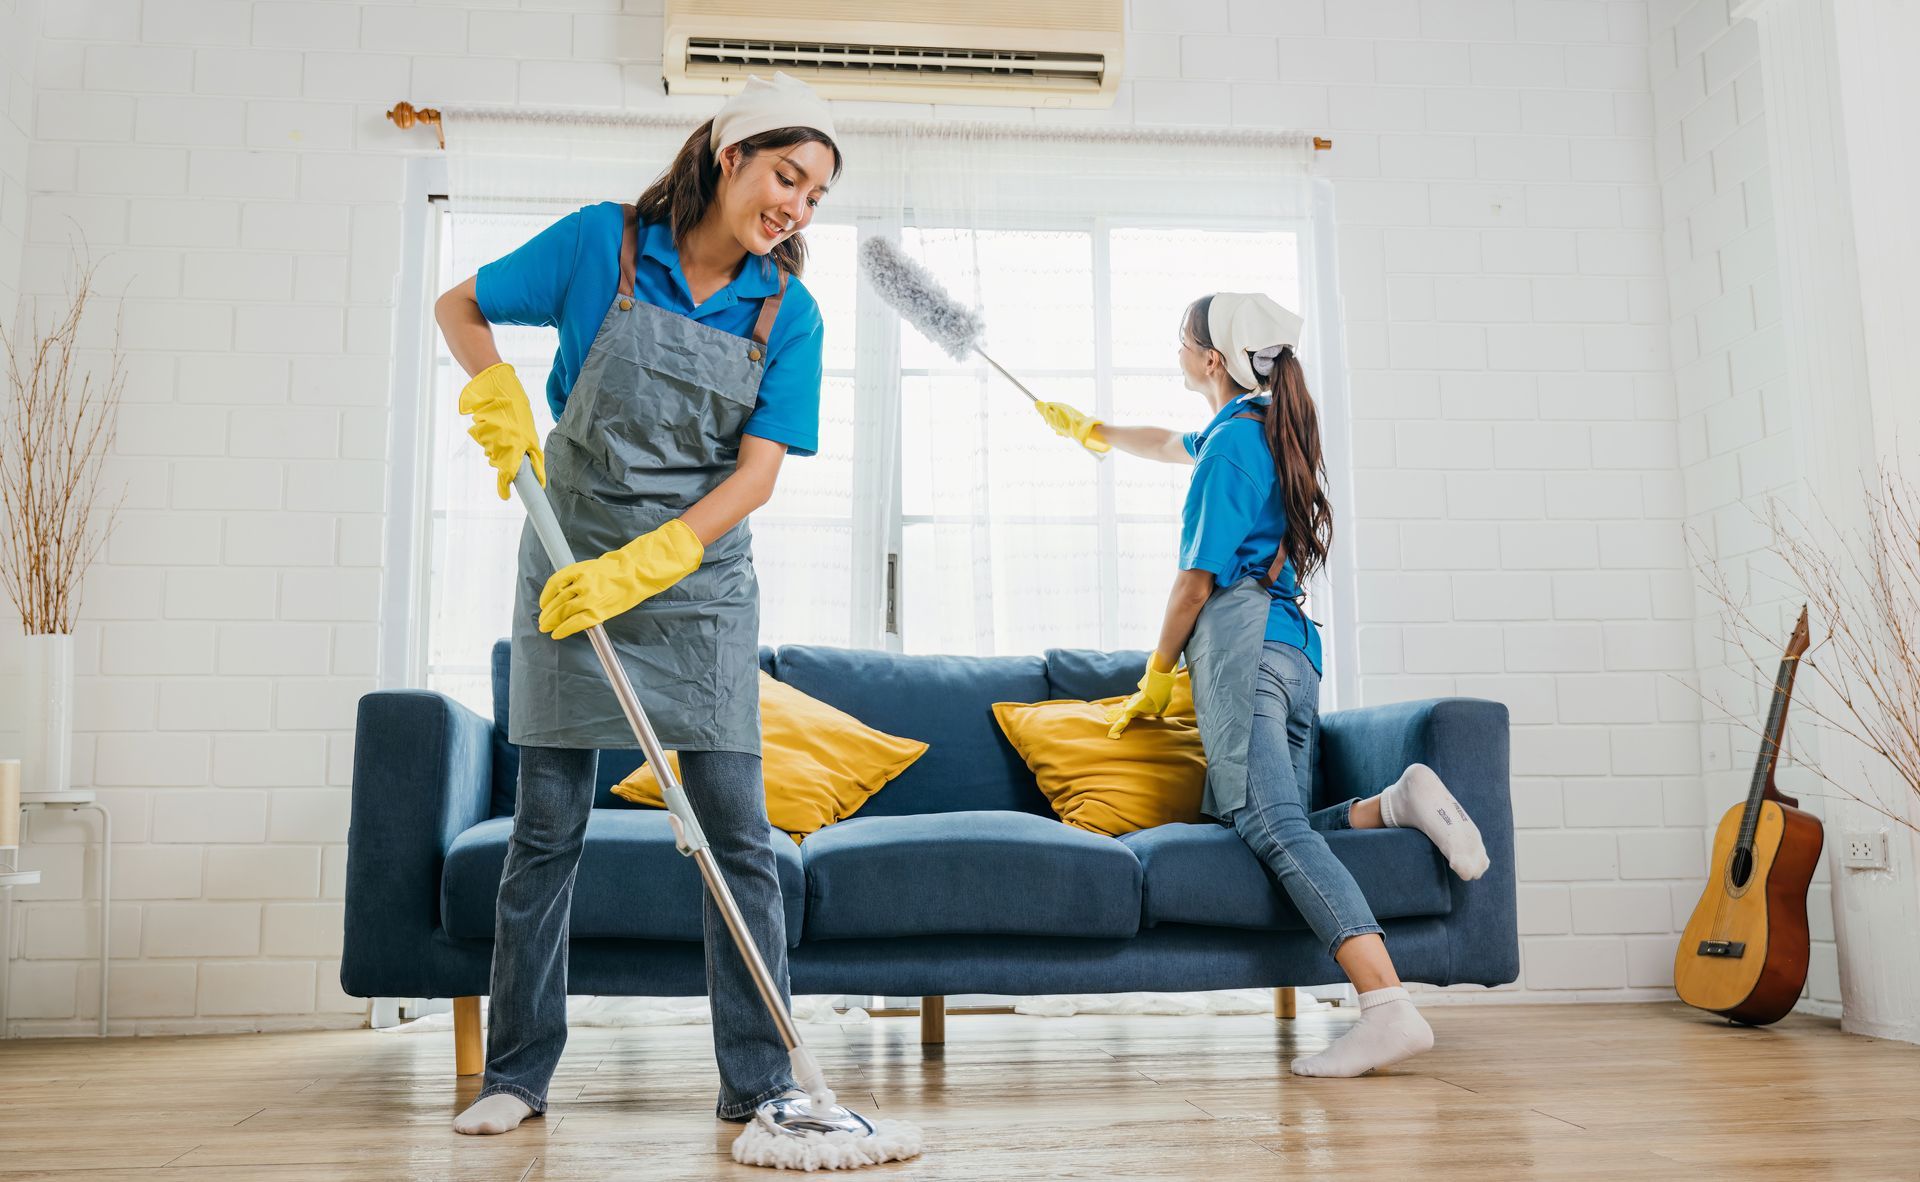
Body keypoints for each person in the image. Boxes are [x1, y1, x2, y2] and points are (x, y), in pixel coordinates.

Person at [432, 73, 840, 1133]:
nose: (796, 207)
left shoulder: (787, 312)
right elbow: (459, 305)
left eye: (815, 195)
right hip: (572, 560)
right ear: (727, 155)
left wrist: (651, 563)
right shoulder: (599, 245)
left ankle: (761, 1083)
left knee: (737, 839)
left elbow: (754, 480)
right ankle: (516, 1076)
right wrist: (497, 393)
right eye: (786, 175)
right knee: (547, 829)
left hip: (698, 587)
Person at [1035, 293, 1491, 1077]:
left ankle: (1387, 1007)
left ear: (1212, 359)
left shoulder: (1229, 450)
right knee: (1273, 822)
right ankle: (1392, 806)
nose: (1176, 351)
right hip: (1293, 652)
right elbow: (1169, 443)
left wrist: (1155, 673)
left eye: (1182, 341)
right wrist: (1095, 431)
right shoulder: (1258, 430)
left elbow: (1195, 582)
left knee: (1271, 826)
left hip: (1242, 649)